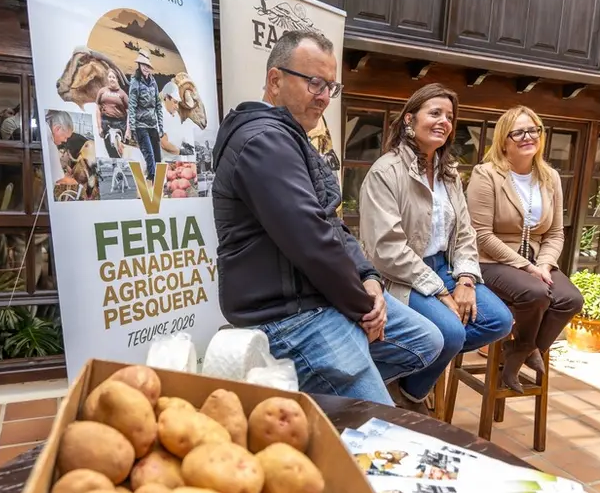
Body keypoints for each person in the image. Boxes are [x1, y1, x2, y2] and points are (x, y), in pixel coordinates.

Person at [211, 30, 445, 407]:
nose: (323, 97)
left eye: (330, 87)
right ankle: (333, 405)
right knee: (378, 424)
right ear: (275, 80)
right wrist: (364, 305)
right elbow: (312, 240)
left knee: (429, 340)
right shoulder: (263, 142)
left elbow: (332, 224)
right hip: (287, 317)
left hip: (320, 299)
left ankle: (325, 401)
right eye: (314, 83)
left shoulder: (292, 138)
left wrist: (369, 278)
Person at [359, 84, 513, 410]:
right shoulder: (385, 172)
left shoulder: (449, 174)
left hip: (445, 266)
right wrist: (442, 291)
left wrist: (467, 280)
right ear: (409, 120)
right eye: (435, 113)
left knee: (499, 321)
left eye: (450, 116)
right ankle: (414, 396)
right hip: (401, 274)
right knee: (452, 334)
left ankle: (409, 380)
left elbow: (466, 234)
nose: (444, 121)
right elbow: (387, 249)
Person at [466, 106, 584, 393]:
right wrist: (527, 267)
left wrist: (543, 264)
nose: (527, 136)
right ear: (504, 141)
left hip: (536, 261)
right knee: (535, 292)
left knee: (570, 299)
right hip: (491, 260)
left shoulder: (549, 177)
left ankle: (518, 352)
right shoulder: (486, 175)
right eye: (518, 132)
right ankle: (522, 352)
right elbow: (480, 234)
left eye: (533, 130)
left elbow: (556, 232)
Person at [125, 50, 163, 181]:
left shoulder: (153, 82)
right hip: (141, 126)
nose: (145, 67)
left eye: (147, 65)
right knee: (150, 157)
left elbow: (158, 105)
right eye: (143, 65)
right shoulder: (135, 82)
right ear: (139, 65)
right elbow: (132, 106)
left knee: (158, 158)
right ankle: (151, 183)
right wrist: (133, 127)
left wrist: (161, 127)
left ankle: (157, 188)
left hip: (153, 125)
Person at [95, 68, 129, 158]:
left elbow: (129, 112)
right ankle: (113, 165)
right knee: (109, 148)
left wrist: (128, 130)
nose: (111, 79)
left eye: (113, 77)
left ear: (117, 79)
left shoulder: (123, 94)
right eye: (109, 77)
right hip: (105, 121)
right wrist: (99, 127)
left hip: (119, 123)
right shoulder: (102, 91)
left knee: (118, 148)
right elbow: (98, 108)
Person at [159, 81, 195, 163]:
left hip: (175, 160)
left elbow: (175, 133)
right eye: (175, 102)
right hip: (164, 162)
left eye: (178, 103)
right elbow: (163, 144)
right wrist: (181, 151)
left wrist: (184, 144)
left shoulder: (174, 114)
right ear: (167, 98)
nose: (177, 106)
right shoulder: (160, 115)